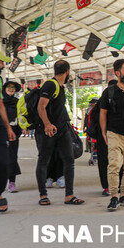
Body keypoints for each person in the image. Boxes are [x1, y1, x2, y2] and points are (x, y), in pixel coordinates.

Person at [35, 60, 83, 206]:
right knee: (44, 160)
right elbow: (41, 106)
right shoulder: (51, 84)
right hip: (49, 131)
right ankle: (43, 195)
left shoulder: (60, 87)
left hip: (62, 130)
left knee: (69, 160)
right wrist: (47, 124)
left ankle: (69, 195)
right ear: (67, 72)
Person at [102, 59, 124, 211]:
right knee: (114, 165)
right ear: (117, 73)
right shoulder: (109, 92)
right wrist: (104, 133)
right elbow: (103, 113)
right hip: (114, 133)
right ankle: (114, 197)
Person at [0, 51, 17, 213]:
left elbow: (0, 104)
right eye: (1, 62)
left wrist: (8, 127)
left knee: (4, 161)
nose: (3, 66)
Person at [2, 80, 22, 193]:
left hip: (14, 132)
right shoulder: (1, 102)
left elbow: (21, 116)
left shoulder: (17, 102)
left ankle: (12, 183)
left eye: (13, 88)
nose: (11, 89)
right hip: (1, 131)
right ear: (4, 89)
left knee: (12, 157)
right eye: (9, 87)